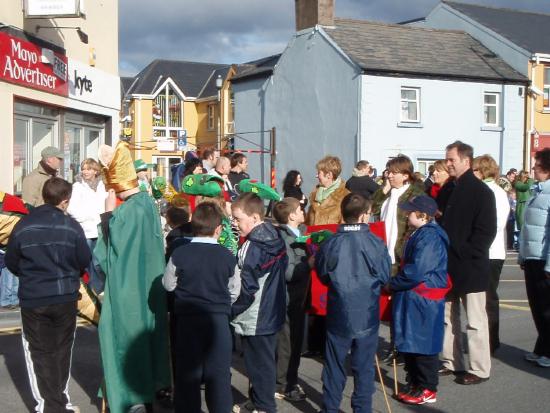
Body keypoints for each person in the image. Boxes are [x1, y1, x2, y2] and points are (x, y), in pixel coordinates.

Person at [94, 141, 171, 412]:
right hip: (149, 284)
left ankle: (128, 396)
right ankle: (154, 386)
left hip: (127, 289)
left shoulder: (124, 213)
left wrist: (106, 215)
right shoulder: (148, 203)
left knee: (120, 338)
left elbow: (105, 256)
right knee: (151, 336)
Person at [5, 177, 90, 413]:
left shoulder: (24, 225)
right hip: (65, 294)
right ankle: (59, 399)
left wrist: (29, 274)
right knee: (62, 349)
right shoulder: (72, 226)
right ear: (64, 201)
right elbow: (84, 259)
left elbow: (12, 260)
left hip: (34, 295)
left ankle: (50, 404)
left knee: (39, 352)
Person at [315, 193, 391, 413]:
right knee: (363, 367)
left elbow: (322, 273)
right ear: (364, 216)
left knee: (335, 366)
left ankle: (330, 408)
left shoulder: (332, 242)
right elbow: (385, 275)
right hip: (365, 313)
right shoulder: (374, 242)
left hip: (341, 311)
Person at [163, 202, 238, 413]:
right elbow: (234, 290)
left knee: (188, 374)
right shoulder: (227, 256)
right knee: (219, 375)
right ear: (218, 229)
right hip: (218, 320)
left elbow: (168, 284)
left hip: (187, 319)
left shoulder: (180, 253)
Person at [439, 141, 496, 385]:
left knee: (475, 321)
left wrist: (465, 251)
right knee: (448, 318)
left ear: (466, 160)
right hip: (447, 264)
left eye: (452, 159)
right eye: (447, 159)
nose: (448, 163)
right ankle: (452, 362)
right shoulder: (448, 189)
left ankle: (479, 368)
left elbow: (486, 232)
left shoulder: (482, 191)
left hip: (471, 265)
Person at [390, 195, 450, 405]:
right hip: (414, 295)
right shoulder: (420, 233)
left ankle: (427, 387)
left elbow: (417, 270)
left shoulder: (430, 236)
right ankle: (415, 383)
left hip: (424, 296)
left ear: (422, 214)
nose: (406, 214)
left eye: (410, 211)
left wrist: (393, 283)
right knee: (411, 341)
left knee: (423, 343)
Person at [231, 193, 288, 413]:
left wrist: (231, 310)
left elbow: (247, 289)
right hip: (272, 308)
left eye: (237, 218)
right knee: (263, 361)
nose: (235, 224)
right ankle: (256, 401)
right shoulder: (274, 234)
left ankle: (265, 406)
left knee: (258, 364)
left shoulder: (251, 247)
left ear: (255, 217)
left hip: (255, 313)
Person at [272, 197, 311, 402]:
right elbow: (289, 273)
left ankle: (289, 380)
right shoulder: (284, 238)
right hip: (289, 299)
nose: (303, 210)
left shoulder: (301, 233)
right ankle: (283, 384)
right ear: (291, 215)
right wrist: (309, 263)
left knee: (295, 342)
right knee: (288, 343)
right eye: (299, 208)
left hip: (300, 297)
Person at [472, 155, 510, 355]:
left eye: (475, 170)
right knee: (481, 297)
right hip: (483, 251)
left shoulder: (497, 192)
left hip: (491, 252)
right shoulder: (484, 191)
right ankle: (484, 339)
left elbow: (497, 224)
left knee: (489, 297)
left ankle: (491, 340)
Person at [518, 148, 550, 368]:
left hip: (542, 259)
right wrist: (522, 255)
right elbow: (527, 227)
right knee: (537, 307)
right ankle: (542, 347)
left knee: (547, 308)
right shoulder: (536, 191)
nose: (533, 170)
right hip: (531, 257)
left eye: (537, 166)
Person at [372, 155, 425, 272]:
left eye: (394, 173)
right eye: (388, 172)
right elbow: (373, 209)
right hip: (382, 252)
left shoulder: (416, 195)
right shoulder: (389, 193)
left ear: (405, 176)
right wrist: (384, 189)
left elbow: (417, 227)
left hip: (400, 258)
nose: (389, 176)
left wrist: (401, 250)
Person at [67, 158, 108, 294]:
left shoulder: (103, 186)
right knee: (89, 263)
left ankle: (100, 288)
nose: (85, 171)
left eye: (88, 169)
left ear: (96, 171)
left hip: (102, 229)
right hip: (86, 231)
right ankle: (94, 290)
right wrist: (88, 217)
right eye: (83, 169)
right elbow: (71, 209)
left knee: (100, 262)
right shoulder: (77, 187)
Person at [306, 156, 350, 226]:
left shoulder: (345, 196)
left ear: (329, 175)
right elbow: (307, 223)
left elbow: (346, 226)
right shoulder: (315, 194)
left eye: (319, 173)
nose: (316, 176)